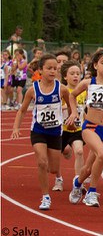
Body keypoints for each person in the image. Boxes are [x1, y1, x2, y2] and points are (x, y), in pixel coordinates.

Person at [67, 48, 103, 207]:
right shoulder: (88, 83)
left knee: (87, 168)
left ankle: (77, 184)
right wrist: (73, 112)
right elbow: (71, 95)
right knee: (102, 155)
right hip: (90, 127)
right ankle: (92, 192)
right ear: (95, 65)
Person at [11, 54, 72, 210]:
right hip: (38, 130)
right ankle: (45, 196)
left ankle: (64, 154)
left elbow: (71, 103)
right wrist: (16, 128)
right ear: (40, 70)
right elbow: (22, 110)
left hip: (55, 131)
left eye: (55, 68)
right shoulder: (33, 90)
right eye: (49, 68)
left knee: (53, 168)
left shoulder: (61, 88)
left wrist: (72, 116)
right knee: (41, 162)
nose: (52, 71)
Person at [58, 60, 87, 191]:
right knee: (63, 152)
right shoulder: (62, 91)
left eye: (78, 73)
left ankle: (78, 182)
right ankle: (58, 179)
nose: (76, 76)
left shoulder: (84, 92)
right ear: (65, 76)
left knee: (79, 151)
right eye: (72, 73)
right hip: (62, 129)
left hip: (77, 128)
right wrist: (66, 107)